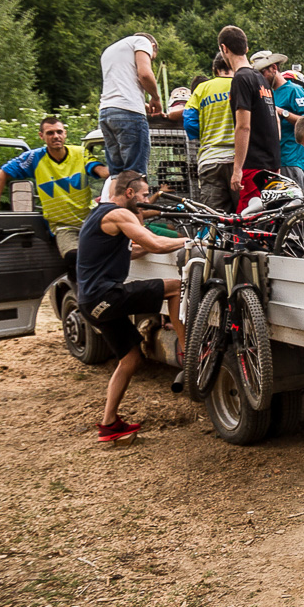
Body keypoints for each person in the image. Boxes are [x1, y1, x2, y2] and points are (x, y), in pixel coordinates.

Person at [75, 171, 187, 443]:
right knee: (175, 287)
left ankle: (109, 425)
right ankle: (189, 355)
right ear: (129, 193)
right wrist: (195, 242)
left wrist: (147, 248)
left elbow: (133, 250)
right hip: (106, 296)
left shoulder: (96, 214)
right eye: (145, 194)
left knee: (131, 358)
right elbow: (156, 243)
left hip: (90, 302)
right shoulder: (117, 214)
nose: (147, 199)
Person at [0, 116, 107, 254]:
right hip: (63, 226)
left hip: (90, 221)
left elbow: (103, 172)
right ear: (42, 136)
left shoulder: (80, 153)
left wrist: (123, 161)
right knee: (72, 256)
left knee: (103, 256)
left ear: (65, 133)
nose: (56, 136)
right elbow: (2, 173)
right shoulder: (34, 158)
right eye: (50, 133)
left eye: (59, 132)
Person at [218, 26, 281, 211]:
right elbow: (275, 121)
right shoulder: (262, 79)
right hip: (272, 163)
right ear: (246, 48)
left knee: (247, 222)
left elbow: (243, 126)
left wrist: (237, 169)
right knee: (267, 220)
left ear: (224, 48)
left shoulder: (241, 79)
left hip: (253, 166)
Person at [168, 53, 235, 211]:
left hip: (210, 160)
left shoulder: (202, 89)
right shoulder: (244, 84)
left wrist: (206, 134)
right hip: (240, 160)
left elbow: (189, 122)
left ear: (215, 70)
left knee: (215, 219)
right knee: (246, 217)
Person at [251, 50, 304, 187]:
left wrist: (282, 112)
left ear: (274, 68)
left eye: (263, 73)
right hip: (274, 162)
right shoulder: (267, 93)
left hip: (292, 160)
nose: (261, 78)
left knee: (292, 205)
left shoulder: (294, 90)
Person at [98, 32, 161, 176]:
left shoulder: (109, 50)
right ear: (152, 47)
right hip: (129, 114)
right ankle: (137, 198)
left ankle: (114, 198)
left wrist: (144, 104)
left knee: (117, 175)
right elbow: (144, 74)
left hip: (106, 113)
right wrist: (155, 98)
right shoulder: (142, 41)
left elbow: (122, 89)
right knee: (135, 174)